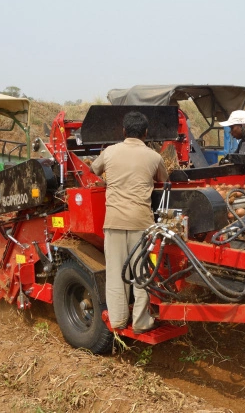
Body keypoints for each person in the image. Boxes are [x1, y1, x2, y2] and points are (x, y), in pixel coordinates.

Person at [90, 111, 169, 333]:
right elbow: (165, 181)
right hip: (141, 224)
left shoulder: (109, 152)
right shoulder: (154, 156)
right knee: (142, 274)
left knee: (116, 273)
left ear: (124, 131)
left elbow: (92, 170)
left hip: (113, 222)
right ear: (146, 133)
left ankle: (117, 320)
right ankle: (141, 322)